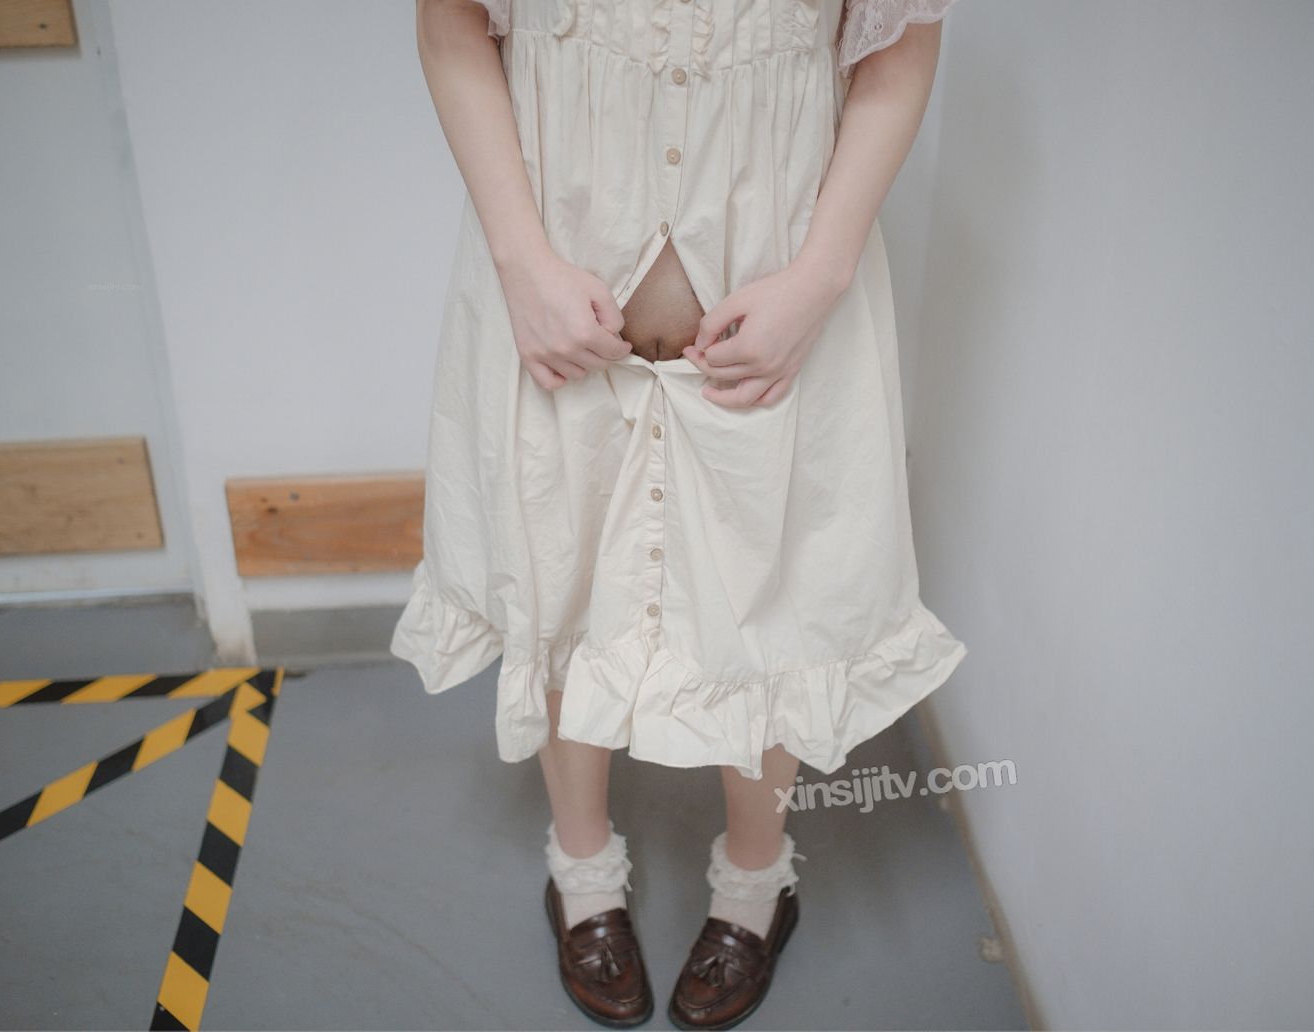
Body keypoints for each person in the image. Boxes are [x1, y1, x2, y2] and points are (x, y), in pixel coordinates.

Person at [400, 0, 964, 1026]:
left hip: (783, 312)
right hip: (550, 298)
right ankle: (581, 869)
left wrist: (821, 275)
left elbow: (902, 44)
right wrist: (522, 263)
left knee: (776, 603)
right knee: (559, 576)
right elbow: (450, 22)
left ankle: (757, 881)